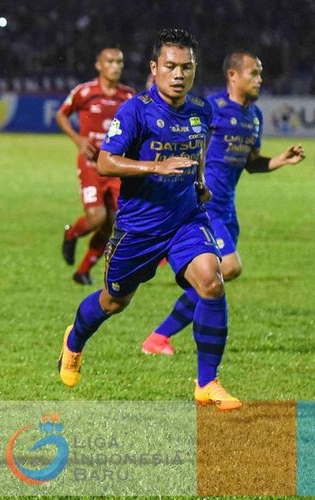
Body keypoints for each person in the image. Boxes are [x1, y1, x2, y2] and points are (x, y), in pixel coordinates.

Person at [56, 28, 243, 411]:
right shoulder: (136, 109)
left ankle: (207, 382)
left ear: (194, 71)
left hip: (186, 218)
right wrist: (155, 166)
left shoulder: (201, 111)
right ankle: (74, 340)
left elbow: (198, 149)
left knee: (212, 280)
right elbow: (106, 161)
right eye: (170, 66)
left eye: (186, 67)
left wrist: (201, 181)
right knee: (113, 301)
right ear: (155, 68)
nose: (178, 74)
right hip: (139, 227)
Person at [141, 51, 306, 355]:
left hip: (228, 210)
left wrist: (280, 160)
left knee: (212, 280)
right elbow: (189, 148)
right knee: (229, 268)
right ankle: (159, 336)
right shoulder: (210, 109)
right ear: (233, 76)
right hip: (204, 206)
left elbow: (252, 163)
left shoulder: (254, 116)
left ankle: (158, 339)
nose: (260, 80)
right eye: (254, 73)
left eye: (260, 74)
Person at [56, 48, 136, 285]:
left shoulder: (129, 97)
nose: (116, 66)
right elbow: (62, 115)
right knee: (97, 217)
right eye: (110, 62)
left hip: (114, 166)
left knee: (112, 223)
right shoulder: (85, 92)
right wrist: (79, 140)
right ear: (99, 65)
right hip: (91, 164)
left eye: (119, 62)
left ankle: (82, 272)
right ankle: (72, 233)